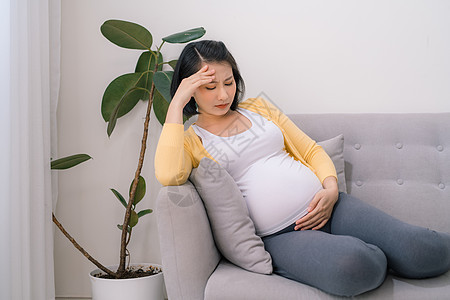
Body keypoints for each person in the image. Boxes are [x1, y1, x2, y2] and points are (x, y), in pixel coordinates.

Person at [154, 40, 450, 297]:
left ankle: (394, 252)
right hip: (284, 235)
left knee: (422, 251)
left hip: (333, 207)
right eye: (209, 86)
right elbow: (168, 175)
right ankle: (375, 253)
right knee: (356, 267)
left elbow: (310, 149)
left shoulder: (259, 108)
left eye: (228, 82)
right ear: (190, 89)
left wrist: (331, 189)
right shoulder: (192, 140)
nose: (222, 95)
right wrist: (176, 103)